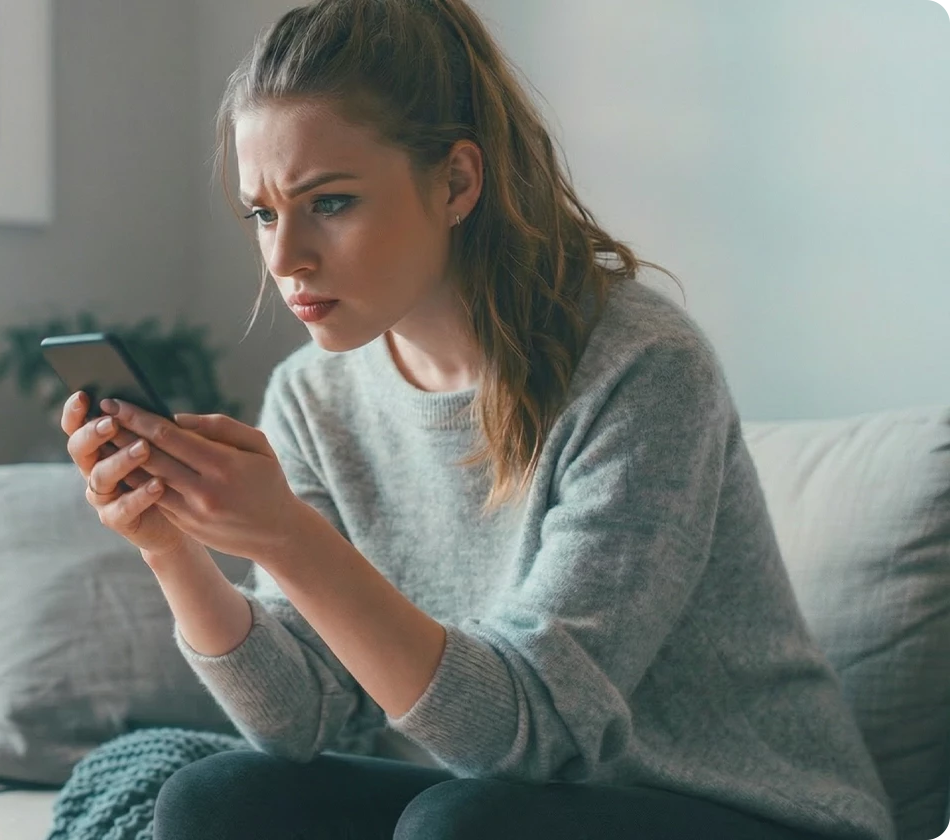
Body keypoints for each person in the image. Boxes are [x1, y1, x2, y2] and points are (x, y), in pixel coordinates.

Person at [60, 0, 895, 837]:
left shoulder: (642, 368)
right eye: (264, 213)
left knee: (462, 824)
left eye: (332, 202)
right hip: (498, 801)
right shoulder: (313, 396)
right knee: (217, 798)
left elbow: (534, 734)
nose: (284, 259)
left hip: (746, 811)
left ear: (457, 181)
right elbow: (297, 719)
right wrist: (171, 546)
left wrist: (285, 535)